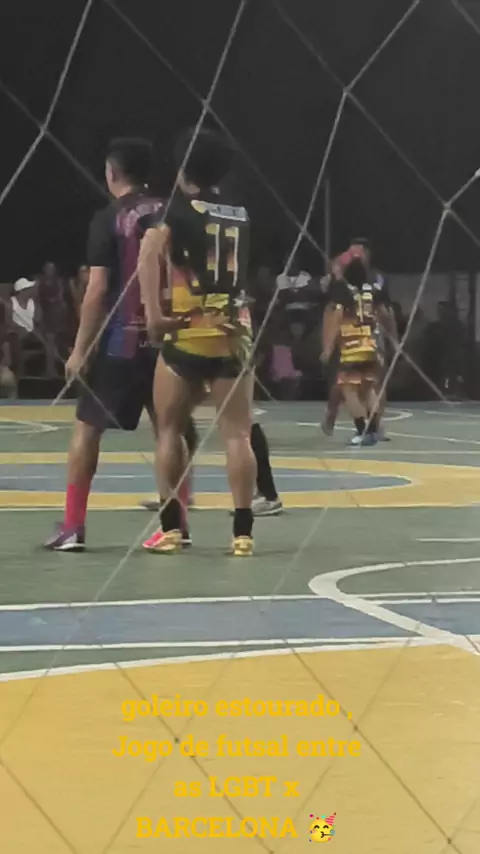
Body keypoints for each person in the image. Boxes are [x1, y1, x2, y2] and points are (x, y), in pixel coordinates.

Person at [44, 138, 192, 551]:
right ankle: (176, 525)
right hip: (168, 341)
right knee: (169, 431)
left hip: (121, 342)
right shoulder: (174, 213)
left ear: (111, 173)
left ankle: (73, 527)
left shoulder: (109, 218)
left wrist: (79, 349)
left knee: (87, 430)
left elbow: (97, 291)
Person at [138, 128, 256, 557]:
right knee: (237, 435)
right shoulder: (239, 212)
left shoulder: (175, 211)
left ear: (182, 167)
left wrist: (154, 315)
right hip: (233, 330)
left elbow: (149, 253)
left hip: (188, 328)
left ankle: (171, 527)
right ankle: (242, 534)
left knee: (168, 427)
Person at [321, 242, 391, 446]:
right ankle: (374, 429)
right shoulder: (368, 293)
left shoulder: (343, 292)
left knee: (348, 390)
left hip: (352, 347)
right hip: (369, 344)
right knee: (369, 389)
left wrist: (328, 348)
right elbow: (381, 314)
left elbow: (336, 318)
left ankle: (363, 430)